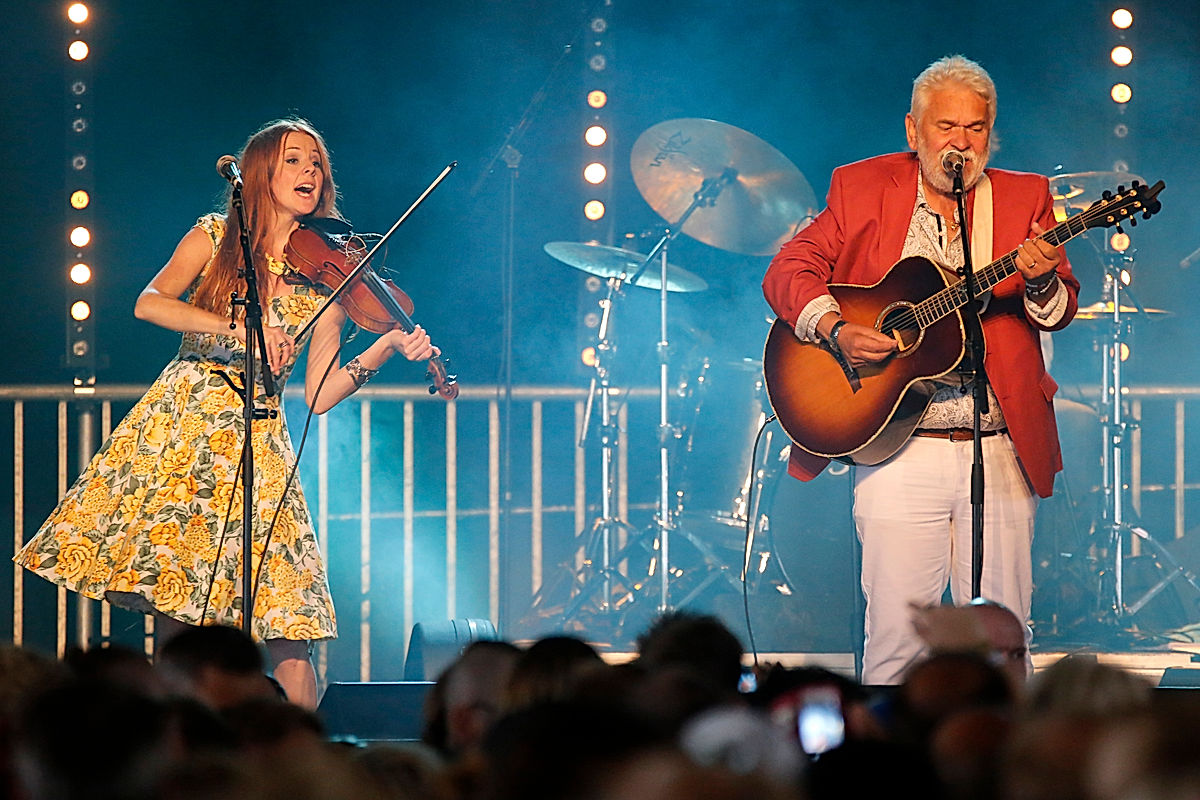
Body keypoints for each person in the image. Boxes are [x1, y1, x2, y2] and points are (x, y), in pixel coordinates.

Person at [14, 118, 438, 709]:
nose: (309, 173)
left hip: (262, 444)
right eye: (294, 161)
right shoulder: (214, 237)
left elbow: (317, 394)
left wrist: (384, 347)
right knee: (179, 610)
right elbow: (150, 303)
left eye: (316, 164)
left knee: (296, 626)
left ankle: (299, 766)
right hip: (190, 426)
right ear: (261, 172)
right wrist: (237, 327)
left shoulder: (330, 282)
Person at [762, 55, 1079, 685]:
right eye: (946, 126)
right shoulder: (861, 187)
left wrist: (1042, 279)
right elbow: (787, 271)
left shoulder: (1024, 196)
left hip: (999, 444)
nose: (961, 142)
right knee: (897, 643)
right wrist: (833, 327)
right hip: (898, 449)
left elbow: (1060, 306)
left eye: (976, 128)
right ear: (913, 131)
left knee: (1004, 640)